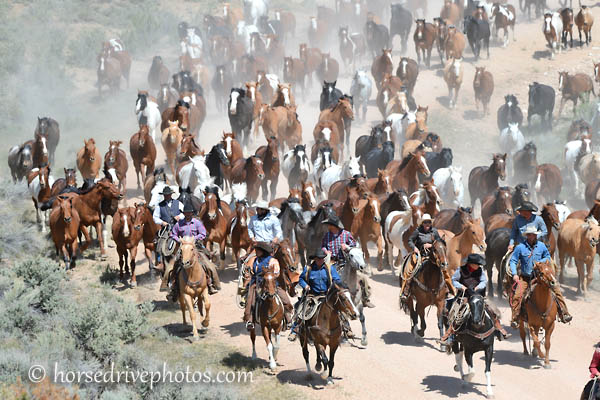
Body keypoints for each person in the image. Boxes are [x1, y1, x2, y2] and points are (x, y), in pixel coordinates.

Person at [438, 253, 509, 347]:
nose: (479, 266)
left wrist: (478, 287)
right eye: (477, 264)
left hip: (478, 296)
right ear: (471, 264)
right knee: (456, 314)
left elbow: (484, 281)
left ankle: (499, 330)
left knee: (492, 310)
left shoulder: (480, 271)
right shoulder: (461, 270)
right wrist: (461, 287)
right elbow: (454, 280)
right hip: (464, 296)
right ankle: (448, 336)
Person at [509, 225, 572, 327]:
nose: (532, 236)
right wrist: (515, 274)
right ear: (527, 235)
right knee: (517, 296)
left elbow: (547, 256)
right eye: (530, 235)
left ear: (536, 235)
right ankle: (515, 318)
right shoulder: (520, 247)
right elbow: (513, 260)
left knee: (556, 289)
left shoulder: (542, 246)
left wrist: (539, 263)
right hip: (525, 277)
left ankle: (564, 313)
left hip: (540, 276)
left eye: (534, 235)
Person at [288, 248, 352, 341]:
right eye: (318, 259)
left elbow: (337, 280)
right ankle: (295, 329)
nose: (320, 260)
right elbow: (301, 279)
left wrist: (333, 286)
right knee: (301, 309)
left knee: (340, 308)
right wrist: (305, 286)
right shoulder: (308, 269)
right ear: (315, 259)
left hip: (327, 295)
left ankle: (347, 328)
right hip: (312, 295)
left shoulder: (330, 268)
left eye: (322, 258)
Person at [163, 201, 221, 300]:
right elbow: (173, 234)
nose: (188, 214)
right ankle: (172, 288)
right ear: (184, 214)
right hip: (183, 248)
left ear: (192, 213)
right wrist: (180, 240)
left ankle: (212, 284)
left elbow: (203, 234)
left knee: (210, 266)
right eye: (186, 213)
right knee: (170, 268)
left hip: (196, 248)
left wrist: (194, 238)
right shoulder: (179, 224)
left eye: (189, 213)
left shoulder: (197, 223)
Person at [321, 215, 375, 308]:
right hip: (332, 262)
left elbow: (355, 246)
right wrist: (326, 251)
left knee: (362, 278)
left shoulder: (346, 234)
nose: (328, 226)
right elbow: (323, 246)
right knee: (324, 277)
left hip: (347, 262)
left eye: (329, 224)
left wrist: (347, 247)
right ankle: (324, 298)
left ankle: (365, 299)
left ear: (333, 225)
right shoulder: (327, 235)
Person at [401, 213, 455, 301]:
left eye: (429, 222)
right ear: (422, 223)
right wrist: (414, 248)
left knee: (444, 269)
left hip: (433, 254)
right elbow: (410, 240)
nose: (427, 224)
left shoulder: (434, 231)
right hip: (420, 254)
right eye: (425, 222)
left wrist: (431, 245)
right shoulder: (417, 231)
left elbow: (439, 241)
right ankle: (406, 289)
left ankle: (448, 289)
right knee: (410, 268)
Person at [242, 242, 293, 331]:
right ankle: (250, 320)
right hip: (257, 284)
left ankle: (288, 319)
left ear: (263, 251)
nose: (256, 251)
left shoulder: (272, 261)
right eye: (256, 250)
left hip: (271, 283)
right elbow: (251, 271)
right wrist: (248, 273)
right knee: (250, 299)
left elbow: (276, 273)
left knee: (285, 300)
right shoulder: (255, 260)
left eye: (258, 250)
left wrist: (267, 275)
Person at [153, 186, 183, 271]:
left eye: (168, 195)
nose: (167, 196)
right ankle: (160, 263)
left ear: (171, 194)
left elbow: (185, 213)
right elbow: (155, 217)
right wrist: (162, 222)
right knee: (159, 244)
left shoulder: (178, 203)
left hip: (178, 228)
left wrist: (179, 216)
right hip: (167, 229)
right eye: (165, 195)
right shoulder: (160, 205)